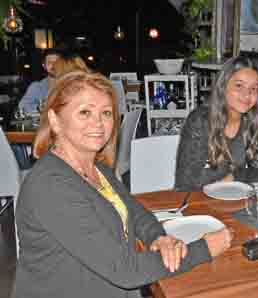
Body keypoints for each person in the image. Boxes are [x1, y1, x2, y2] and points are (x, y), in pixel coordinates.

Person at [14, 71, 233, 298]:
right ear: (55, 120)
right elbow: (125, 270)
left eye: (106, 113)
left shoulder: (97, 169)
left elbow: (134, 211)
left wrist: (158, 238)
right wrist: (203, 249)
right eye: (85, 112)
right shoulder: (51, 186)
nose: (98, 123)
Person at [175, 56, 258, 191]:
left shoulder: (257, 119)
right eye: (239, 85)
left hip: (236, 199)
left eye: (254, 88)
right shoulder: (200, 120)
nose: (247, 94)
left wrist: (237, 177)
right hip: (199, 202)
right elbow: (185, 184)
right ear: (223, 86)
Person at [18, 48, 61, 113]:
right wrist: (39, 107)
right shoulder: (37, 87)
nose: (54, 65)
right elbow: (22, 106)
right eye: (50, 62)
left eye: (57, 62)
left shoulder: (71, 84)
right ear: (44, 66)